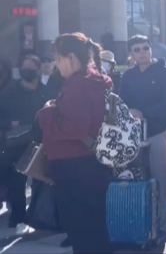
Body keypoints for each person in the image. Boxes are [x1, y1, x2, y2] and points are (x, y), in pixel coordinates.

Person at [37, 33, 114, 254]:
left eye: (58, 59)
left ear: (70, 57)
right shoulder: (96, 80)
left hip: (75, 167)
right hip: (92, 163)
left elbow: (76, 127)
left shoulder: (78, 85)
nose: (56, 65)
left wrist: (47, 114)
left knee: (82, 232)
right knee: (95, 229)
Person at [119, 35, 166, 240]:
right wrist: (131, 111)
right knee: (135, 177)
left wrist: (144, 112)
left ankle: (161, 224)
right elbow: (121, 101)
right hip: (133, 134)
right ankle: (140, 221)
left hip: (157, 131)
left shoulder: (163, 72)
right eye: (137, 49)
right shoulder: (128, 76)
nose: (142, 52)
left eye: (145, 48)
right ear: (131, 54)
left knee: (161, 177)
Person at [0, 54, 51, 234]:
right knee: (17, 182)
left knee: (40, 181)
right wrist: (9, 124)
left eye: (31, 67)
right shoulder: (9, 92)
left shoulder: (45, 91)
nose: (27, 71)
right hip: (16, 144)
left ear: (38, 71)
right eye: (24, 67)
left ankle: (40, 218)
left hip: (40, 143)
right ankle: (18, 218)